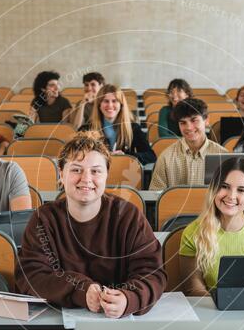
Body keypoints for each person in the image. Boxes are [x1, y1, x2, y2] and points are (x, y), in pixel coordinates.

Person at [17, 132, 165, 316]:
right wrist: (80, 290)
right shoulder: (43, 219)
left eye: (95, 171)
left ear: (106, 176)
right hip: (59, 325)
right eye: (76, 170)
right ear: (61, 175)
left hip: (120, 324)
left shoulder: (129, 216)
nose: (86, 179)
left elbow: (152, 271)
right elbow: (32, 275)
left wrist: (129, 299)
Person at [180, 157, 244, 296]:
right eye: (224, 186)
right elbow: (194, 287)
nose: (231, 196)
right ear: (213, 190)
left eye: (241, 190)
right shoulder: (192, 232)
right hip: (211, 310)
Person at [149, 98, 228, 190]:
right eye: (183, 123)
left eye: (194, 120)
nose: (189, 127)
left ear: (206, 120)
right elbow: (156, 194)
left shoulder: (222, 155)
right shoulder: (166, 157)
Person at [79, 84, 156, 165]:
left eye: (114, 101)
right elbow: (76, 155)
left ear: (121, 104)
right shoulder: (86, 129)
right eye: (106, 101)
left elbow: (151, 156)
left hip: (123, 173)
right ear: (99, 105)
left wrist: (126, 156)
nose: (110, 105)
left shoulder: (133, 128)